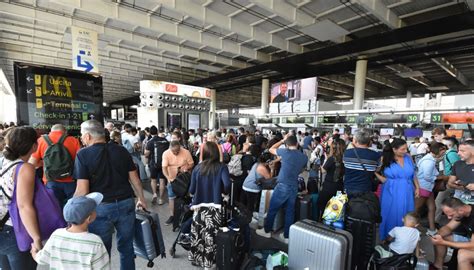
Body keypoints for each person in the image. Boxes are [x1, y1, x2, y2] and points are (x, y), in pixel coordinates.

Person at [73, 120, 147, 270]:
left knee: (102, 251)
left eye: (81, 135)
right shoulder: (121, 150)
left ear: (87, 136)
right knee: (126, 247)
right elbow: (135, 180)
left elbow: (82, 190)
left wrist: (73, 212)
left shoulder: (83, 155)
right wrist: (142, 199)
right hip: (126, 203)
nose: (81, 138)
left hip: (100, 209)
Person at [31, 192, 110, 270]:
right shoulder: (95, 242)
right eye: (94, 209)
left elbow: (41, 259)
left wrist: (34, 252)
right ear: (89, 218)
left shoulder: (56, 235)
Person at [0, 127, 41, 269]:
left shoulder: (1, 161)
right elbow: (24, 206)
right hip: (13, 229)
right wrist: (36, 238)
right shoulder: (24, 168)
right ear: (34, 146)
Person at [256, 134, 307, 242]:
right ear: (297, 144)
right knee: (290, 211)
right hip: (294, 186)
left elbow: (271, 149)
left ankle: (267, 231)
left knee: (272, 209)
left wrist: (282, 140)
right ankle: (287, 236)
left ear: (287, 145)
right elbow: (302, 170)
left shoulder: (285, 152)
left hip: (283, 185)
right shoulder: (304, 157)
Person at [188, 142, 231, 268]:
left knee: (198, 233)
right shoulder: (222, 167)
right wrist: (223, 192)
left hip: (199, 207)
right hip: (214, 207)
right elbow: (227, 184)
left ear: (204, 153)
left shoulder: (197, 168)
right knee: (211, 236)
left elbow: (191, 189)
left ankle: (197, 259)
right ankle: (209, 264)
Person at [375, 138, 419, 240]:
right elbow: (375, 171)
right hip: (390, 190)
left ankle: (405, 239)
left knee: (406, 214)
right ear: (394, 149)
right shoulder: (385, 159)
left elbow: (413, 174)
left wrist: (417, 187)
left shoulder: (408, 157)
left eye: (406, 149)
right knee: (390, 213)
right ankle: (389, 238)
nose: (405, 151)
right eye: (402, 149)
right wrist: (383, 180)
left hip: (407, 189)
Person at [29, 124, 81, 207]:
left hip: (51, 181)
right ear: (65, 132)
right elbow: (79, 161)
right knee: (72, 208)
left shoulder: (41, 141)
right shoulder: (74, 140)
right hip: (70, 181)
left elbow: (32, 163)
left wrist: (44, 163)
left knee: (54, 208)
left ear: (51, 131)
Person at [432, 197, 474, 270]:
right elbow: (448, 227)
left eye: (451, 215)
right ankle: (438, 267)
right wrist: (438, 235)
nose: (448, 218)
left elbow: (472, 246)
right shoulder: (463, 211)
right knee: (440, 236)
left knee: (463, 254)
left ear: (461, 210)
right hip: (470, 239)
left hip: (472, 244)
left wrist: (444, 242)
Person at [415, 142, 447, 235]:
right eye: (443, 152)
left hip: (427, 187)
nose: (443, 154)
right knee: (416, 209)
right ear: (439, 150)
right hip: (424, 187)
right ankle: (408, 227)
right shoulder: (429, 161)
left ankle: (432, 229)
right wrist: (441, 177)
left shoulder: (429, 159)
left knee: (432, 208)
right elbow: (427, 177)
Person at [162, 140, 194, 226]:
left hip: (184, 180)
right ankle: (172, 216)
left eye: (177, 151)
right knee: (171, 198)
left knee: (185, 198)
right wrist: (168, 177)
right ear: (170, 149)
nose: (176, 153)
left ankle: (185, 216)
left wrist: (186, 167)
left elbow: (191, 164)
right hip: (172, 180)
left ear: (180, 147)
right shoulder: (166, 153)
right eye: (173, 151)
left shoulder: (186, 152)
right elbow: (164, 168)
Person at [343, 129, 382, 196]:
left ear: (355, 141)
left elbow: (345, 165)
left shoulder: (347, 153)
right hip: (366, 190)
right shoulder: (376, 155)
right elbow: (377, 169)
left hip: (349, 189)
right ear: (369, 142)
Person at [435, 137, 462, 224]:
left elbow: (457, 168)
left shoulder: (451, 154)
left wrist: (449, 178)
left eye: (442, 144)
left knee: (439, 201)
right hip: (450, 181)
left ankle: (435, 221)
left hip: (450, 182)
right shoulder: (449, 153)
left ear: (449, 145)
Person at [318, 138, 346, 218]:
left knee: (324, 207)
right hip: (340, 187)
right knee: (335, 210)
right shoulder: (345, 159)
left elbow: (323, 170)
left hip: (328, 187)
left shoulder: (331, 159)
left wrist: (325, 159)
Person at [145, 126, 169, 205]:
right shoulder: (164, 140)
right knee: (162, 181)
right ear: (157, 131)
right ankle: (161, 199)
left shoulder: (150, 141)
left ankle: (155, 194)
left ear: (149, 132)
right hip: (163, 164)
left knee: (153, 180)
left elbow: (146, 154)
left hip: (153, 163)